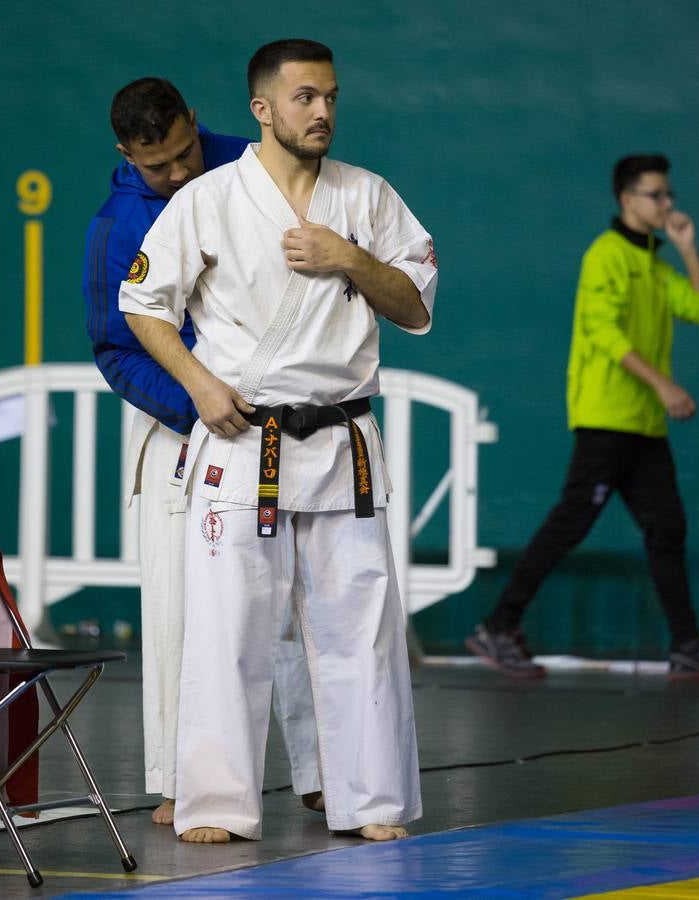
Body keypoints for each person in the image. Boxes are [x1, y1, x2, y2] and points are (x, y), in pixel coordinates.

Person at [119, 39, 437, 843]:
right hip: (239, 440)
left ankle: (370, 802)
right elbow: (143, 303)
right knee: (227, 633)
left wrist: (348, 258)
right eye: (303, 98)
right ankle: (216, 804)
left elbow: (413, 304)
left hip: (340, 443)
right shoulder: (208, 198)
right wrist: (195, 382)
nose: (322, 111)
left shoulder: (367, 197)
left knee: (357, 631)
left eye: (329, 95)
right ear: (262, 108)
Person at [82, 77, 322, 826]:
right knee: (184, 612)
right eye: (159, 166)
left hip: (291, 422)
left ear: (195, 121)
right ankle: (182, 781)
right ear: (127, 154)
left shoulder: (256, 170)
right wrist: (197, 404)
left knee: (305, 605)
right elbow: (115, 350)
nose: (179, 173)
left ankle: (326, 771)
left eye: (186, 151)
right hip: (182, 431)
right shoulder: (118, 224)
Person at [465, 154, 699, 680]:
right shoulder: (605, 256)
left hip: (643, 425)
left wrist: (687, 247)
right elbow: (606, 335)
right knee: (570, 524)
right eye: (656, 195)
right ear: (626, 199)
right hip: (606, 418)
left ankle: (685, 644)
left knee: (667, 527)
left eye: (668, 194)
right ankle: (497, 626)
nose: (667, 203)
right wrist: (665, 385)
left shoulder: (657, 263)